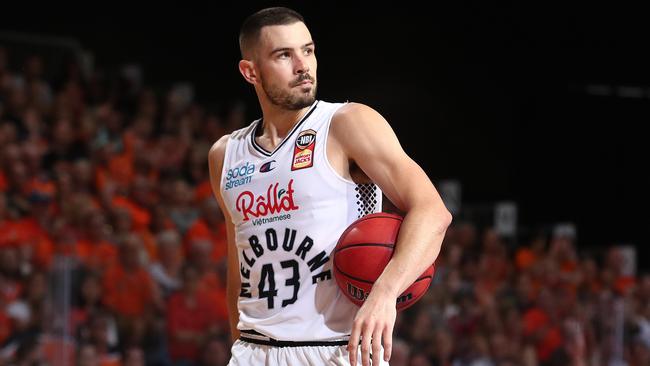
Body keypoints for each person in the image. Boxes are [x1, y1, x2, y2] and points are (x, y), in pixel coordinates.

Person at [207, 7, 452, 366]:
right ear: (250, 71)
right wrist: (238, 346)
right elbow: (238, 268)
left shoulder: (345, 124)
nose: (302, 65)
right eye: (284, 55)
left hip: (337, 349)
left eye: (308, 50)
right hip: (253, 351)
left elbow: (433, 212)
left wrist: (384, 294)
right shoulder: (225, 155)